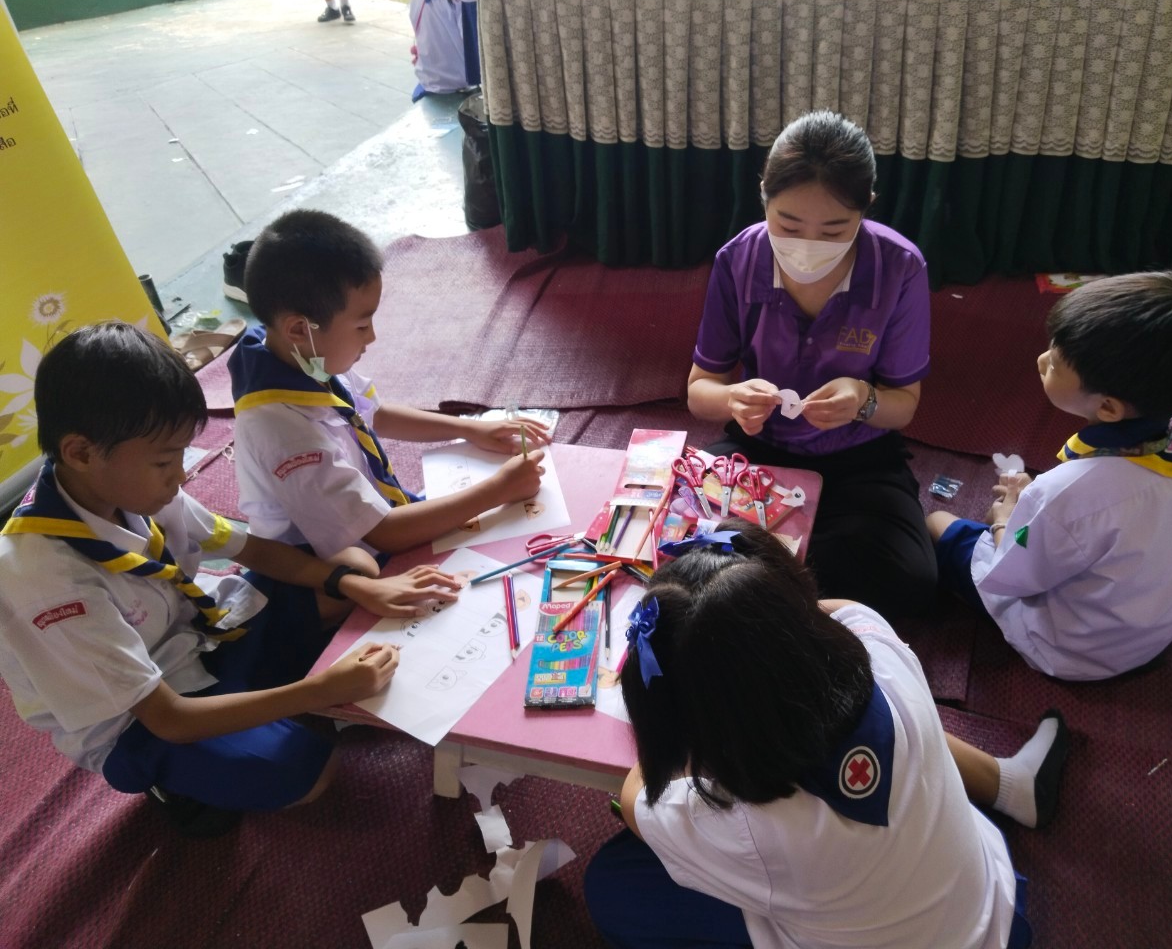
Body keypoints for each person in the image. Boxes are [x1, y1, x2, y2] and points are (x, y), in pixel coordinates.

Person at [0, 324, 459, 835]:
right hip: (146, 717)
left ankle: (259, 697)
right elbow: (169, 718)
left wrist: (354, 586)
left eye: (181, 455)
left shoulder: (128, 486)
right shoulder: (46, 584)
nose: (181, 475)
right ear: (81, 452)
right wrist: (318, 692)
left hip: (203, 635)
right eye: (165, 460)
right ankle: (179, 780)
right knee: (307, 772)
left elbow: (248, 547)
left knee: (354, 566)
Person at [585, 522, 1068, 949]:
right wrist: (750, 622)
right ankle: (1011, 786)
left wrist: (671, 732)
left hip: (882, 915)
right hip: (990, 906)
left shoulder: (750, 828)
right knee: (880, 718)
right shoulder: (878, 647)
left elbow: (635, 800)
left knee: (613, 883)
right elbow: (823, 614)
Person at [927, 271, 1172, 682]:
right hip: (1159, 615)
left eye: (1055, 363)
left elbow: (1017, 575)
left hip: (1078, 652)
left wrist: (1006, 516)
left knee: (936, 524)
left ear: (1108, 409)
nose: (1041, 360)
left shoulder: (1065, 493)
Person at [687, 110, 935, 620]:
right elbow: (700, 389)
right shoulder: (738, 259)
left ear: (866, 207)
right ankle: (786, 590)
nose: (808, 246)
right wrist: (733, 399)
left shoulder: (900, 268)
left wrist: (863, 401)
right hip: (758, 449)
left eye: (835, 229)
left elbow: (903, 405)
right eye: (788, 225)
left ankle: (767, 591)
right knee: (683, 546)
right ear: (763, 196)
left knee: (909, 583)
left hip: (859, 456)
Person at [227, 209, 549, 560]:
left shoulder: (303, 357)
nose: (372, 337)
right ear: (299, 329)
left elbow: (374, 415)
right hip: (321, 562)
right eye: (361, 326)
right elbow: (384, 534)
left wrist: (469, 429)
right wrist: (498, 490)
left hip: (371, 519)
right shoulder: (284, 432)